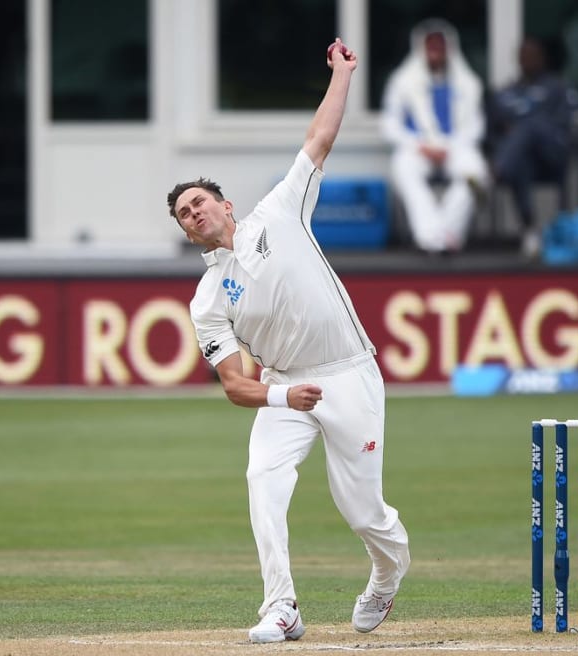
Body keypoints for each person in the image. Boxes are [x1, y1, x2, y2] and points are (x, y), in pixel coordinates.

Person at [167, 38, 410, 644]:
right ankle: (282, 606)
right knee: (262, 479)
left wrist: (342, 75)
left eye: (198, 202)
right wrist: (283, 398)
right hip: (283, 387)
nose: (193, 214)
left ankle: (388, 570)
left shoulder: (281, 211)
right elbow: (233, 386)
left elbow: (319, 141)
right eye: (182, 215)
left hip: (348, 371)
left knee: (361, 510)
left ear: (226, 204)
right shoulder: (207, 299)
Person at [380, 18, 489, 254]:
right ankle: (429, 236)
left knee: (476, 173)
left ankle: (447, 233)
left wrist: (449, 147)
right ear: (421, 48)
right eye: (430, 46)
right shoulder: (402, 81)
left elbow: (477, 127)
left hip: (455, 149)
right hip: (418, 149)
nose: (435, 52)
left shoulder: (469, 83)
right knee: (403, 168)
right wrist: (419, 145)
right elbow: (390, 125)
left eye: (440, 46)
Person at [487, 36, 575, 258]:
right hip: (522, 160)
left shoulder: (557, 88)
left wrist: (523, 130)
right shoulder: (505, 93)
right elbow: (492, 133)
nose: (529, 60)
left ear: (543, 59)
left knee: (530, 126)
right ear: (517, 59)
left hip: (552, 156)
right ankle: (530, 230)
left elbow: (564, 126)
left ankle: (496, 171)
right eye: (524, 56)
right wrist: (516, 136)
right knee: (521, 161)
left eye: (534, 55)